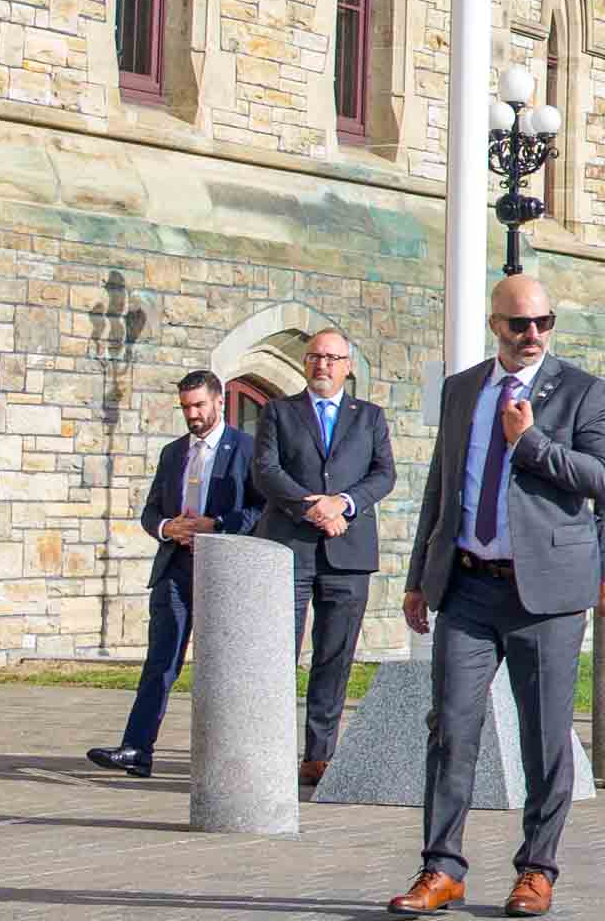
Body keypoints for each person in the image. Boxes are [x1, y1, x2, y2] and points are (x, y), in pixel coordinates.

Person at [387, 270, 605, 917]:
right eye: (520, 324)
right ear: (496, 325)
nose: (533, 334)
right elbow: (441, 486)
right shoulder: (463, 390)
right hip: (468, 585)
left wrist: (530, 442)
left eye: (544, 323)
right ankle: (441, 868)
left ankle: (537, 869)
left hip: (545, 596)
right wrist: (419, 577)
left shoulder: (583, 392)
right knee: (450, 727)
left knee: (545, 738)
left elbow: (603, 479)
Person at [246, 329, 393, 792]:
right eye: (315, 357)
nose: (322, 365)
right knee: (276, 652)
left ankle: (319, 755)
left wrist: (342, 504)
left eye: (332, 358)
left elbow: (383, 474)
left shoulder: (369, 417)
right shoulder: (279, 412)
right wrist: (311, 508)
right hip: (290, 546)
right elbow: (266, 470)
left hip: (348, 552)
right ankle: (268, 752)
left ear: (347, 366)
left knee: (334, 655)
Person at [90, 370, 247, 780]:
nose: (192, 415)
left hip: (224, 571)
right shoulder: (173, 453)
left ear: (219, 401)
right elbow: (151, 511)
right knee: (160, 661)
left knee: (227, 669)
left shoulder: (245, 449)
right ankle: (137, 749)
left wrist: (217, 525)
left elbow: (261, 510)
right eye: (185, 408)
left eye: (199, 405)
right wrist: (167, 528)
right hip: (175, 569)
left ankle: (232, 763)